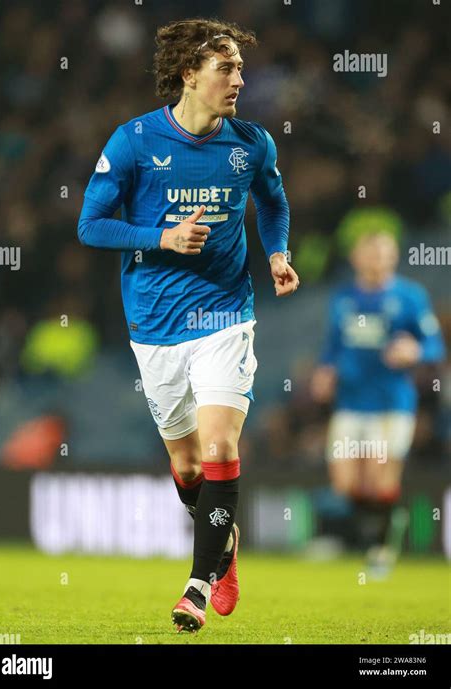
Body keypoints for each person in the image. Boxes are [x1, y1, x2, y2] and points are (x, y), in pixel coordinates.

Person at [78, 18, 299, 631]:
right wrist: (163, 237)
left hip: (226, 314)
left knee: (221, 445)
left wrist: (277, 253)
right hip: (153, 321)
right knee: (189, 468)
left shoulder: (251, 144)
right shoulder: (132, 142)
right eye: (225, 68)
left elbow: (273, 202)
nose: (239, 79)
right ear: (188, 74)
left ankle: (198, 585)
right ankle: (222, 546)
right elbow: (91, 226)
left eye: (239, 68)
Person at [311, 230, 444, 577]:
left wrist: (414, 350)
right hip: (351, 401)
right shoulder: (343, 298)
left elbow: (434, 345)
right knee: (343, 482)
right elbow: (333, 346)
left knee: (379, 478)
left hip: (391, 402)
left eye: (383, 253)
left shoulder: (410, 296)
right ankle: (384, 526)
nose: (377, 259)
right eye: (370, 252)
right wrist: (325, 372)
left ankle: (380, 549)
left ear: (393, 257)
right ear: (356, 257)